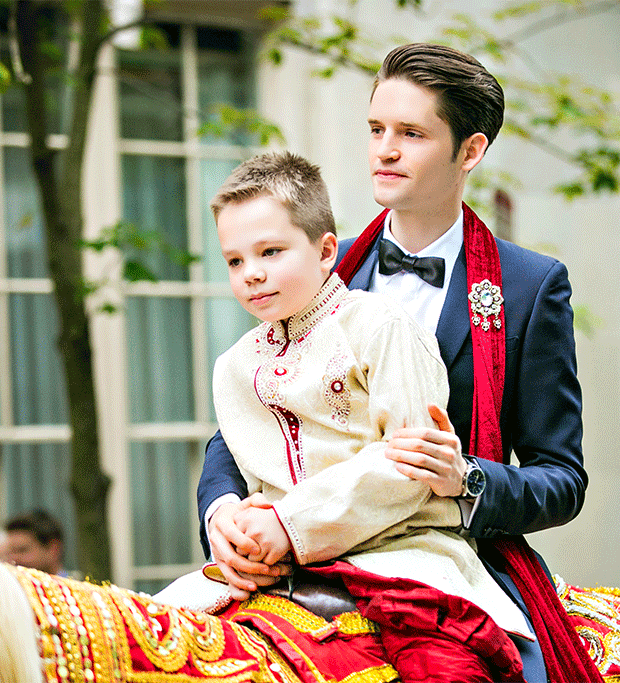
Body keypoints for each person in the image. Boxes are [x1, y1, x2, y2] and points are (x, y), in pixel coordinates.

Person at [197, 42, 593, 682]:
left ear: (470, 151)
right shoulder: (313, 261)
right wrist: (223, 515)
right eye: (377, 128)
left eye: (411, 133)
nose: (384, 149)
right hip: (289, 545)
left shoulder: (529, 286)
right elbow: (251, 414)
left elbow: (561, 478)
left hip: (446, 555)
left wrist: (466, 479)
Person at [202, 150, 524, 682]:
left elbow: (410, 463)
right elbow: (242, 468)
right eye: (235, 261)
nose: (252, 274)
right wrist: (233, 525)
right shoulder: (235, 368)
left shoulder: (380, 327)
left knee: (445, 673)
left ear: (327, 249)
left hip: (403, 555)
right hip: (279, 570)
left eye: (271, 252)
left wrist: (289, 522)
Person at [3, 508, 74, 578]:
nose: (14, 558)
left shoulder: (79, 588)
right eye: (10, 552)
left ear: (53, 550)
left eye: (22, 550)